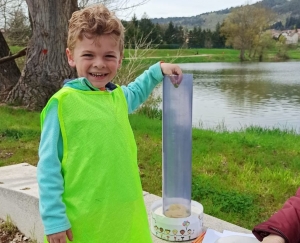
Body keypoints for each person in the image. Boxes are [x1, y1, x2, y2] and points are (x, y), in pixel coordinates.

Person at [37, 4, 182, 243]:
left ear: (120, 59)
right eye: (88, 55)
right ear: (71, 56)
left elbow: (136, 90)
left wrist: (158, 71)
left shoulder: (118, 97)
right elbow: (48, 169)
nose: (99, 64)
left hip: (125, 212)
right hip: (83, 218)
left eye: (108, 56)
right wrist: (54, 221)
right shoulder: (61, 104)